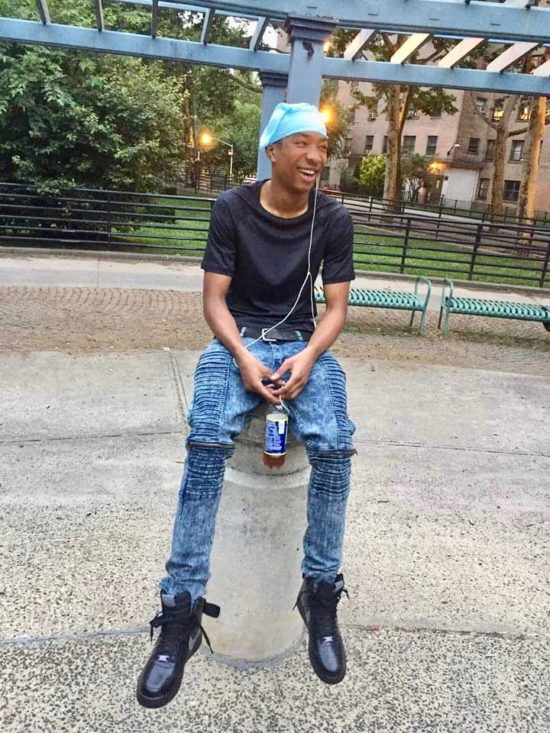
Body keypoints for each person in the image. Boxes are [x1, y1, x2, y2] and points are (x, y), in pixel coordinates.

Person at [137, 103, 356, 709]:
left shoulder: (333, 218)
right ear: (274, 150)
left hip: (303, 345)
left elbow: (336, 308)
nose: (316, 156)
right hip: (238, 341)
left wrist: (308, 357)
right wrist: (241, 355)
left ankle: (319, 592)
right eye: (303, 143)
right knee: (207, 439)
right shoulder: (231, 208)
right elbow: (214, 300)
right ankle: (181, 610)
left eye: (322, 146)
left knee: (336, 445)